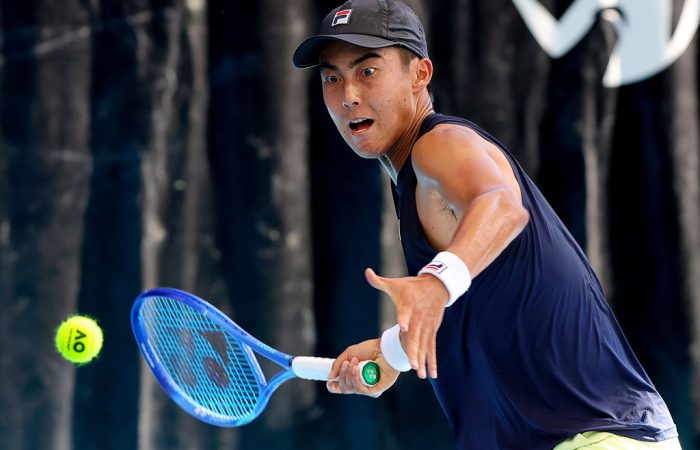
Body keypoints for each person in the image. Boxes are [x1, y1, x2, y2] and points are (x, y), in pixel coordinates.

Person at [292, 0, 681, 448]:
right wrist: (391, 351)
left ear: (420, 74)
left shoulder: (439, 145)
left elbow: (502, 206)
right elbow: (482, 297)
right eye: (331, 77)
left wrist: (436, 284)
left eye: (367, 71)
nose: (348, 96)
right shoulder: (416, 183)